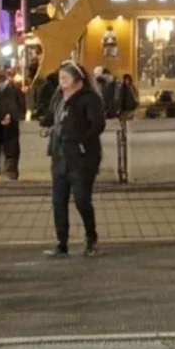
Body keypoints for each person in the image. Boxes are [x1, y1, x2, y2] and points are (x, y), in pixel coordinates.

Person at [46, 61, 104, 256]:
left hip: (81, 159)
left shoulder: (89, 99)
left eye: (65, 79)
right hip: (60, 156)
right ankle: (61, 241)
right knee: (58, 201)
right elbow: (48, 116)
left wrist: (81, 141)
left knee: (82, 199)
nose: (61, 83)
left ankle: (91, 236)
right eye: (60, 79)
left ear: (78, 80)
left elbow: (97, 125)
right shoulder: (59, 99)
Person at [0, 68, 25, 179]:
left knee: (10, 145)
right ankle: (7, 170)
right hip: (3, 121)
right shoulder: (0, 88)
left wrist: (10, 115)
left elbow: (16, 104)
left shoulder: (11, 88)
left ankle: (10, 171)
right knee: (7, 145)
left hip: (10, 121)